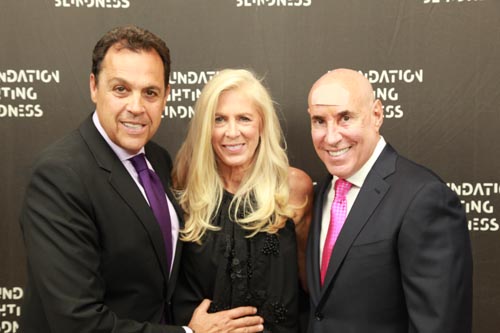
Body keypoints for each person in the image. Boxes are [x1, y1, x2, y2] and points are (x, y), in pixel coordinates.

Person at [19, 25, 264, 333]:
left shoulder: (158, 159)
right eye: (121, 89)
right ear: (94, 87)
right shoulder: (59, 176)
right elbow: (76, 321)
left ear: (166, 97)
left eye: (150, 92)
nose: (136, 107)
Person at [305, 68, 473, 332]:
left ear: (377, 115)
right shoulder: (321, 191)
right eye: (319, 121)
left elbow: (438, 324)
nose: (331, 136)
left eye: (345, 118)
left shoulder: (423, 197)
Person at [171, 69, 313, 332]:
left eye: (244, 118)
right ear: (205, 127)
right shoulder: (186, 187)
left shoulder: (293, 188)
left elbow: (310, 284)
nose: (232, 132)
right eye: (219, 119)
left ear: (262, 124)